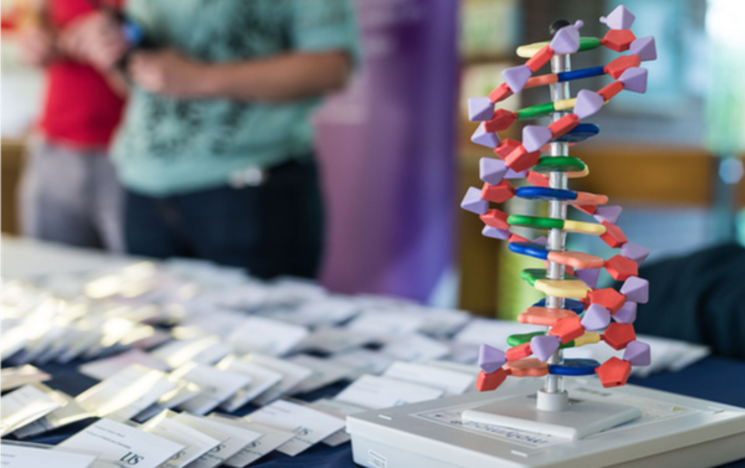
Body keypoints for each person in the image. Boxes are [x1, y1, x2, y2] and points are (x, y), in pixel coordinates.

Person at [70, 0, 357, 279]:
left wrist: (198, 79)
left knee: (264, 324)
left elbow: (332, 66)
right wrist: (116, 54)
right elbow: (146, 87)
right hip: (144, 185)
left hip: (248, 186)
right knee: (154, 323)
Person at [16, 0, 126, 252]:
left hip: (128, 152)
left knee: (139, 279)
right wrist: (34, 35)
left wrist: (123, 31)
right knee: (48, 271)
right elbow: (36, 12)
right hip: (54, 146)